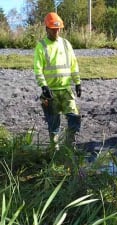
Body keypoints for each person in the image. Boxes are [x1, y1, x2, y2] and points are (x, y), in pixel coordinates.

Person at [34, 12, 82, 150]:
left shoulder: (66, 44)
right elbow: (38, 69)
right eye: (54, 29)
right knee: (53, 122)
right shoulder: (41, 46)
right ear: (47, 29)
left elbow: (73, 64)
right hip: (51, 92)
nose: (56, 31)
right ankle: (54, 149)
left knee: (74, 117)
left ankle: (70, 146)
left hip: (66, 89)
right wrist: (43, 86)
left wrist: (77, 82)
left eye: (58, 29)